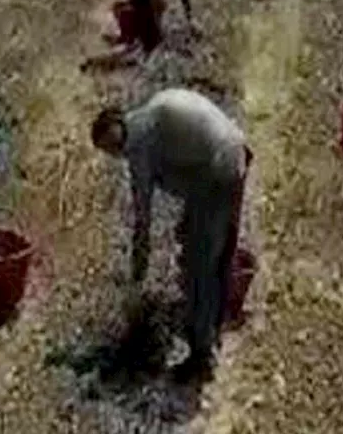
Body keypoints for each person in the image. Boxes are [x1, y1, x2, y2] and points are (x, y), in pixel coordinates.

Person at [90, 88, 252, 382]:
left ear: (116, 141)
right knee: (200, 242)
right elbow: (188, 163)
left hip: (220, 170)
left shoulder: (139, 149)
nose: (116, 154)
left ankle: (202, 356)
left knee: (198, 265)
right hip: (231, 151)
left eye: (112, 149)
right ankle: (214, 315)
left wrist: (138, 270)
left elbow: (143, 220)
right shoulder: (149, 112)